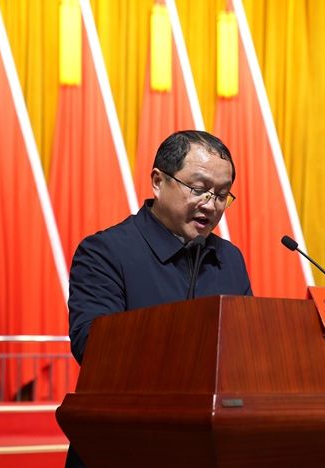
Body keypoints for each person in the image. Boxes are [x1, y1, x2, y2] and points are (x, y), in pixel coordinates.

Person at [65, 130, 253, 466]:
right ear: (158, 181)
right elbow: (93, 348)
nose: (210, 204)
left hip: (204, 449)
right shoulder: (105, 252)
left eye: (222, 195)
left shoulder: (229, 259)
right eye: (198, 188)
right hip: (122, 446)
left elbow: (247, 352)